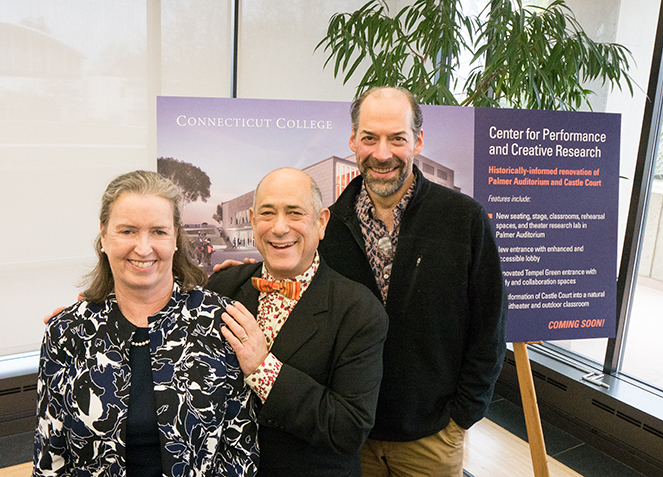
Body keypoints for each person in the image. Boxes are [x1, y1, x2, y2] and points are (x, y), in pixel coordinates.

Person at [317, 86, 507, 476]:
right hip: (351, 439)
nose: (382, 153)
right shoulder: (328, 228)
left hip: (433, 438)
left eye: (397, 138)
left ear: (417, 141)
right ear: (353, 140)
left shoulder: (464, 219)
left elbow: (490, 324)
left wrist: (462, 418)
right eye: (370, 138)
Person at [33, 170, 259, 477]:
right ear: (104, 236)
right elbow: (51, 457)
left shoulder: (220, 323)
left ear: (176, 238)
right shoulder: (66, 333)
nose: (143, 248)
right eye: (127, 231)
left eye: (158, 231)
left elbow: (240, 451)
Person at [209, 167, 389, 476]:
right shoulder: (222, 288)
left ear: (321, 223)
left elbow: (348, 428)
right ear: (252, 221)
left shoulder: (359, 311)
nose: (280, 228)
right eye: (267, 214)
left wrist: (262, 368)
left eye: (295, 213)